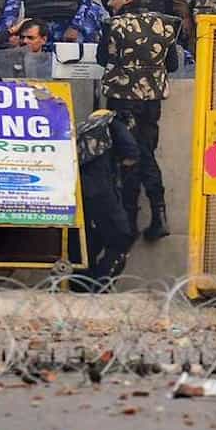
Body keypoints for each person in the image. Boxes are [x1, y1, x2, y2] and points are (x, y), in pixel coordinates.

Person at [98, 0, 178, 241]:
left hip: (123, 100)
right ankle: (159, 214)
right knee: (146, 153)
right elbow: (173, 65)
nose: (110, 4)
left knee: (128, 157)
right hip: (151, 102)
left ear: (127, 0)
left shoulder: (114, 25)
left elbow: (103, 59)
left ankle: (130, 222)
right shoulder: (164, 24)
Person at [71, 108, 139, 292]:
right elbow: (131, 154)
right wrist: (118, 169)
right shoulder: (114, 123)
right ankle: (101, 283)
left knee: (87, 241)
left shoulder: (81, 128)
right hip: (102, 191)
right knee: (122, 237)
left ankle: (78, 285)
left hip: (77, 192)